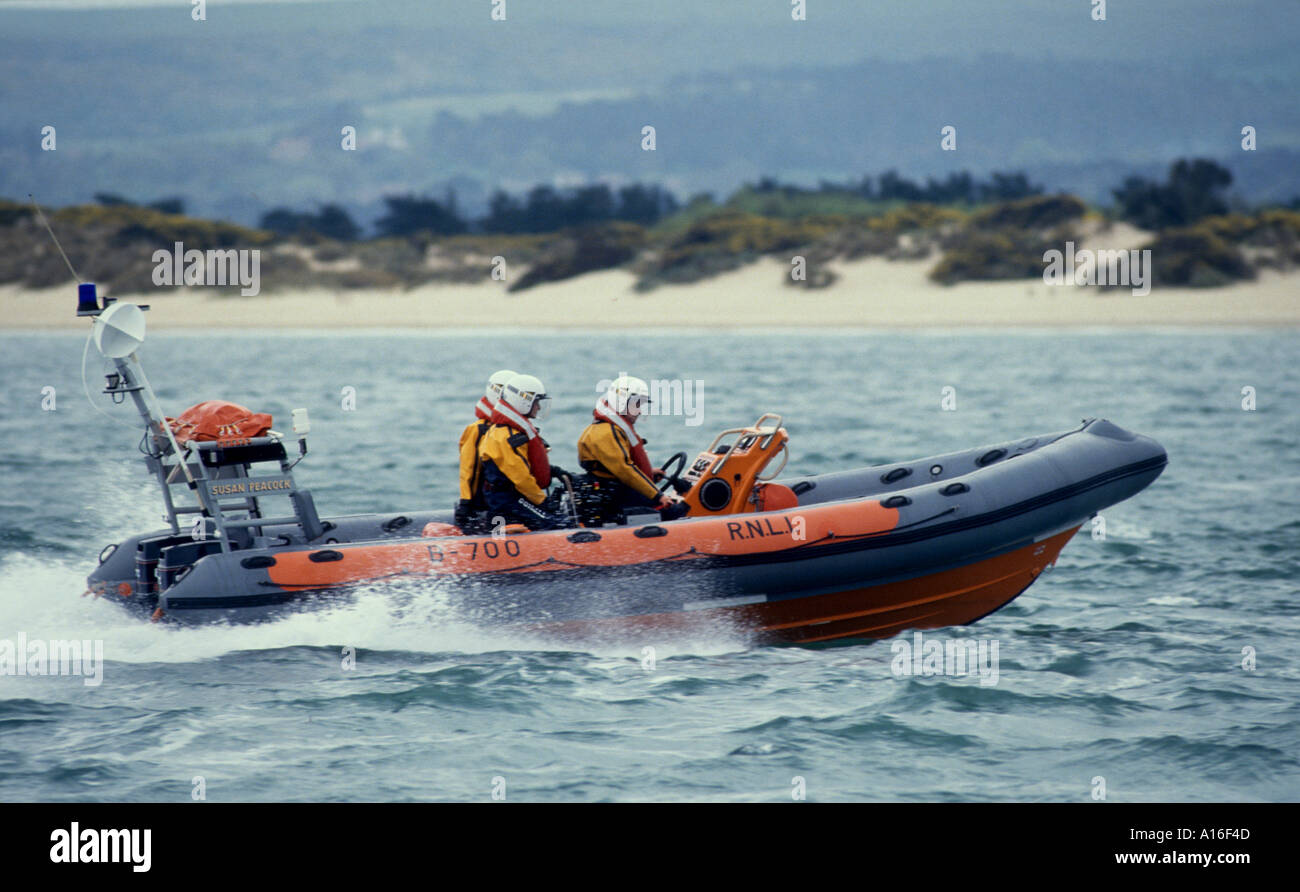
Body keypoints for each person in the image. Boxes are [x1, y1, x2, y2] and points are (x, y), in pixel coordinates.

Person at [577, 375, 688, 524]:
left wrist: (650, 475)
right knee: (673, 512)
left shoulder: (610, 429)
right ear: (621, 401)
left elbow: (619, 469)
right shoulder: (606, 432)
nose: (640, 411)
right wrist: (658, 496)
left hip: (615, 491)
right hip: (615, 498)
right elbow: (625, 470)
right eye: (637, 404)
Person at [477, 373, 572, 530]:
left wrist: (553, 471)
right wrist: (543, 502)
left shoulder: (508, 432)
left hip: (512, 497)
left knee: (554, 518)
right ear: (523, 401)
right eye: (536, 403)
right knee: (559, 524)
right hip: (507, 500)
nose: (539, 407)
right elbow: (520, 478)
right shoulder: (506, 436)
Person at [455, 369, 515, 531]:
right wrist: (466, 502)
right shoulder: (477, 430)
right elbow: (469, 469)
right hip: (487, 502)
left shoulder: (509, 431)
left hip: (509, 499)